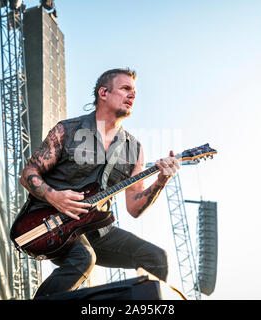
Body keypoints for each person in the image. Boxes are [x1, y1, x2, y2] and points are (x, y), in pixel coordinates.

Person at [19, 68, 180, 297]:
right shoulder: (68, 130)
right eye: (125, 89)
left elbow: (134, 208)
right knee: (83, 258)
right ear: (103, 92)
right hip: (52, 221)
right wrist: (54, 196)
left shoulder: (134, 149)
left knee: (156, 257)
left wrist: (161, 181)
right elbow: (28, 173)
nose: (132, 96)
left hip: (97, 227)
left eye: (134, 92)